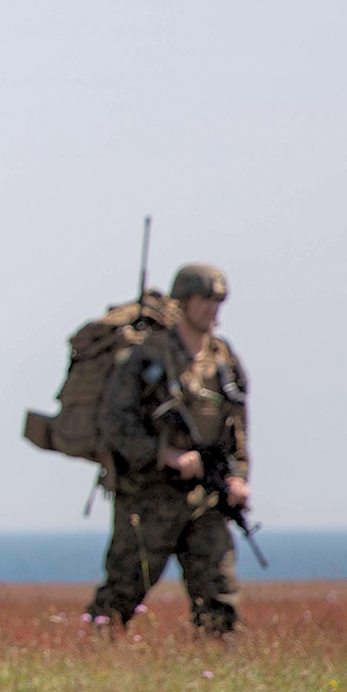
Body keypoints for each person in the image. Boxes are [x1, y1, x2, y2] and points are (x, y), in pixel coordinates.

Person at [85, 264, 250, 635]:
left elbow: (237, 427)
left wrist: (238, 477)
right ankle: (90, 660)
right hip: (149, 496)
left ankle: (220, 680)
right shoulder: (148, 356)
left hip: (206, 497)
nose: (212, 309)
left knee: (219, 598)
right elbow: (115, 422)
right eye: (204, 300)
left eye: (217, 301)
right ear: (184, 301)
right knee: (123, 590)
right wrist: (165, 455)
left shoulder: (223, 359)